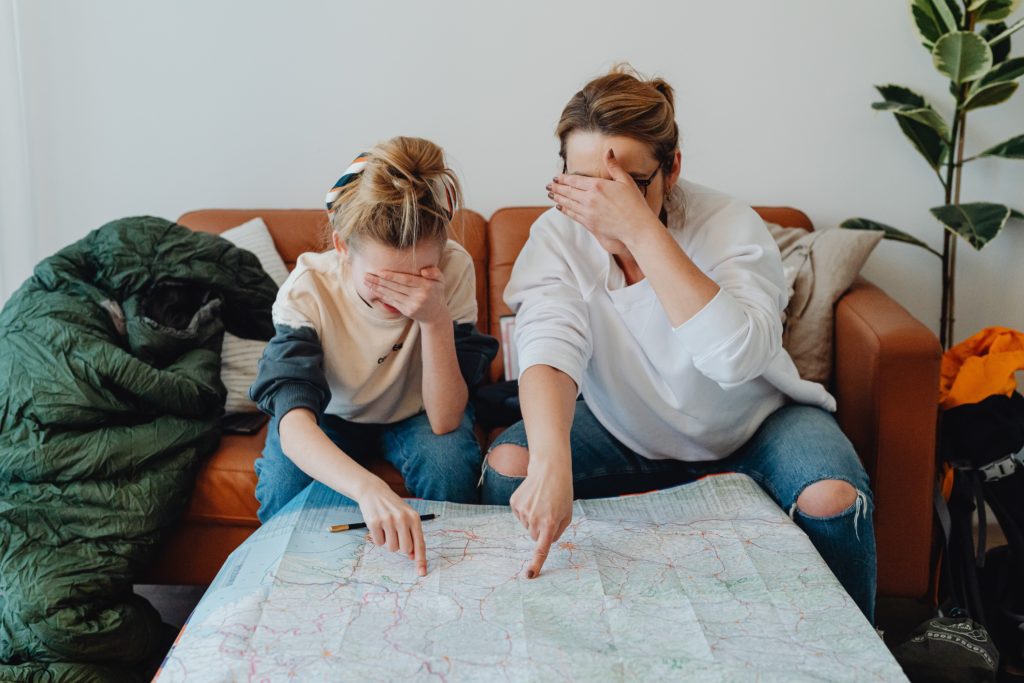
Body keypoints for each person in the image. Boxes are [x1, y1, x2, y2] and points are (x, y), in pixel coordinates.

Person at [480, 66, 877, 622]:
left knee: (832, 501)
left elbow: (736, 358)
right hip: (624, 425)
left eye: (624, 186)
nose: (598, 208)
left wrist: (642, 231)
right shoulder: (558, 234)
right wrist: (552, 458)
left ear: (672, 169)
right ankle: (534, 635)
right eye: (582, 184)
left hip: (754, 423)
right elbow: (550, 345)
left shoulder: (728, 224)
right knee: (512, 466)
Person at [251, 136, 498, 576]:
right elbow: (292, 426)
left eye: (419, 276)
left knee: (450, 466)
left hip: (417, 410)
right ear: (342, 246)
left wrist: (435, 320)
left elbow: (444, 419)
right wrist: (369, 489)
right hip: (330, 412)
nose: (403, 295)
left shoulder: (454, 269)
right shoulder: (308, 289)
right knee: (281, 487)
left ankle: (444, 578)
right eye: (383, 280)